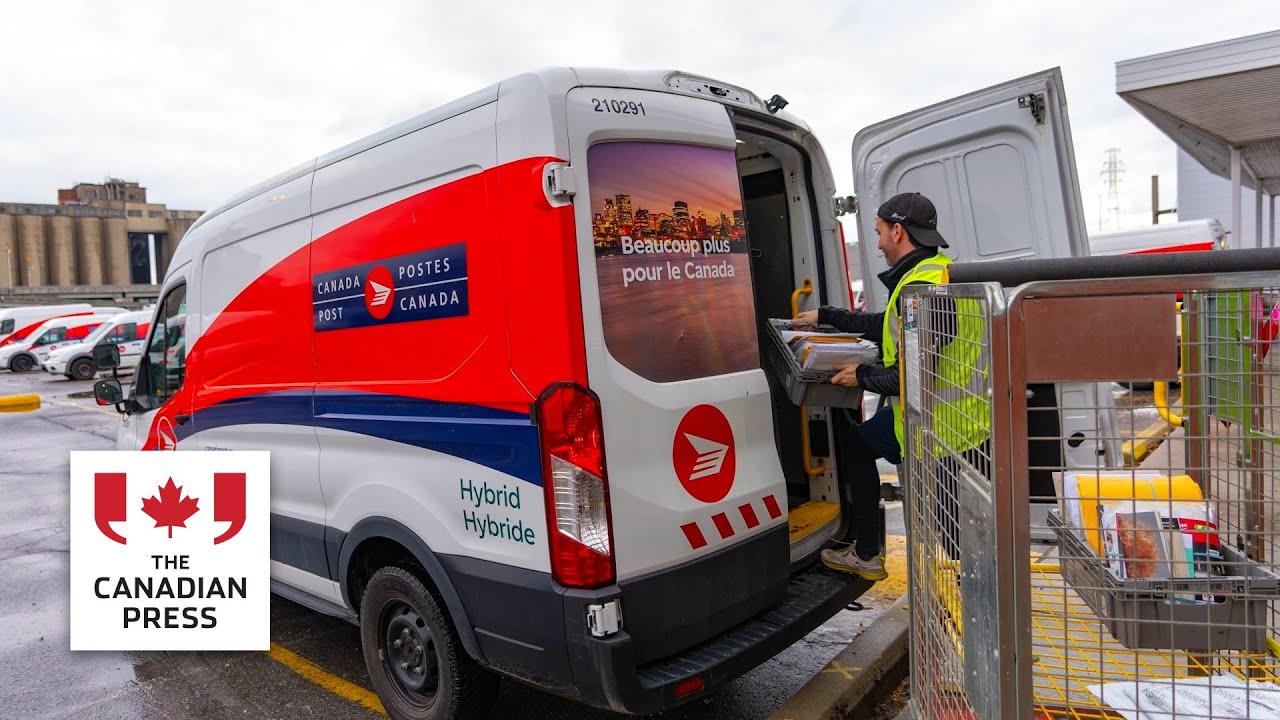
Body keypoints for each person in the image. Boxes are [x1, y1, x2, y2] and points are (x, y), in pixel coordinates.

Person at [792, 191, 962, 580]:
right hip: (949, 412)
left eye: (880, 232)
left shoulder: (922, 291)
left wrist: (861, 377)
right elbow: (884, 325)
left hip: (943, 425)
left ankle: (965, 602)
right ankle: (868, 553)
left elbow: (913, 373)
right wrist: (826, 316)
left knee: (956, 538)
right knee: (858, 444)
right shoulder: (931, 273)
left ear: (898, 231)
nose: (879, 243)